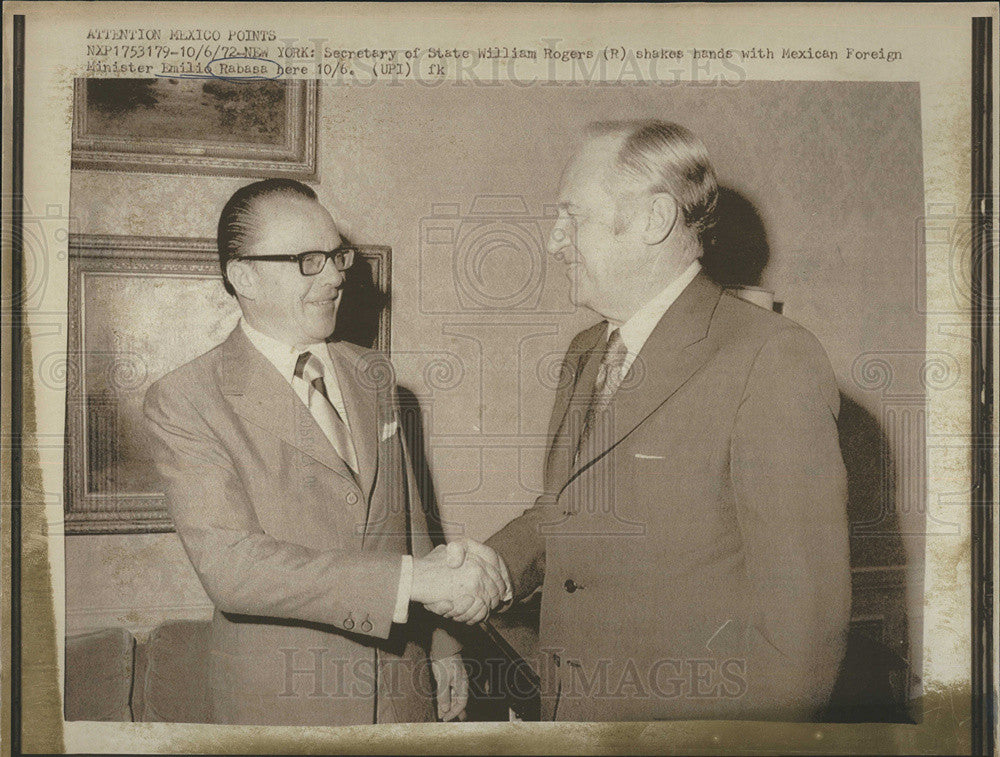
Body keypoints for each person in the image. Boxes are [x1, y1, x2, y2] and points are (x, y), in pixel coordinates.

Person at [429, 121, 851, 722]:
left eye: (572, 217)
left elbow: (802, 634)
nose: (554, 241)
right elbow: (566, 510)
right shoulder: (586, 350)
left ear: (655, 220)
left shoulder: (769, 356)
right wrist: (495, 564)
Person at [144, 179, 506, 726]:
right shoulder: (186, 399)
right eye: (309, 260)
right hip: (286, 702)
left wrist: (443, 647)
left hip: (402, 691)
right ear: (243, 276)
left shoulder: (376, 376)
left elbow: (409, 521)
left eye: (337, 256)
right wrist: (416, 582)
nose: (337, 276)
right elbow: (233, 568)